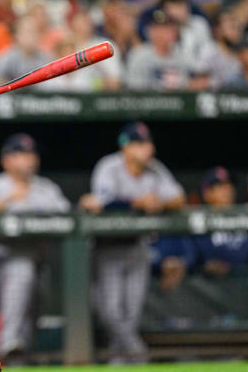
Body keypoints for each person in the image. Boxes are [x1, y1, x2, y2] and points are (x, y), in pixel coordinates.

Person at [79, 122, 186, 364]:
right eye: (140, 144)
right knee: (111, 312)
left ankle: (120, 363)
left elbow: (178, 197)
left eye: (148, 143)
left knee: (132, 314)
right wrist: (139, 202)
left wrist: (160, 202)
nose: (148, 149)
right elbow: (101, 203)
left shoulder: (156, 170)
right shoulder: (109, 166)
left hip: (138, 247)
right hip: (108, 247)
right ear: (125, 147)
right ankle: (139, 355)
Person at [0, 133, 71, 361]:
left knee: (32, 306)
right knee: (21, 269)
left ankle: (16, 357)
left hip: (37, 261)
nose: (28, 159)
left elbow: (69, 217)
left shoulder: (46, 188)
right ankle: (7, 341)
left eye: (31, 154)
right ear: (6, 160)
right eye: (20, 154)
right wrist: (7, 201)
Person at [193, 167, 248, 276]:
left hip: (245, 283)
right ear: (207, 193)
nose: (228, 190)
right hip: (210, 285)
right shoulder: (198, 221)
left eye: (229, 185)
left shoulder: (245, 217)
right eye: (220, 186)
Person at [125, 10, 193, 90]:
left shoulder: (181, 54)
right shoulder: (139, 55)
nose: (161, 33)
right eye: (157, 29)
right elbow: (134, 88)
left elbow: (187, 85)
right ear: (150, 31)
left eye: (167, 29)